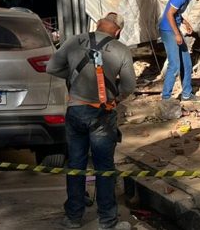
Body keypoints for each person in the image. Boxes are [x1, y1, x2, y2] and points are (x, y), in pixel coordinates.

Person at [47, 13, 136, 230]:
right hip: (102, 115)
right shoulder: (121, 49)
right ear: (117, 31)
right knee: (104, 167)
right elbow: (129, 86)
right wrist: (114, 98)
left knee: (76, 164)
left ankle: (73, 218)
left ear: (98, 25)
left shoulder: (73, 41)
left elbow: (51, 68)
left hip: (75, 111)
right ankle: (107, 221)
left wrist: (75, 78)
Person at [159, 0, 200, 102]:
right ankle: (166, 98)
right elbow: (169, 14)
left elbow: (177, 13)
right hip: (168, 30)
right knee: (174, 65)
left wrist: (185, 22)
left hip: (175, 29)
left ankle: (187, 94)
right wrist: (177, 34)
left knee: (186, 64)